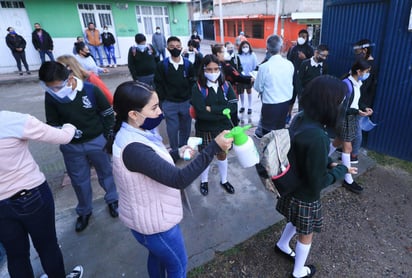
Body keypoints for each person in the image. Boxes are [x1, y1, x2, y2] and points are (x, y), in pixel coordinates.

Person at [107, 81, 233, 278]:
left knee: (158, 258)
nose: (160, 112)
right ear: (133, 114)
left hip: (146, 219)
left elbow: (151, 161)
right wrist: (213, 147)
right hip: (155, 225)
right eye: (154, 107)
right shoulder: (133, 147)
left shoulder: (137, 132)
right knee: (177, 266)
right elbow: (179, 179)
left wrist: (176, 153)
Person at [275, 75, 357, 278]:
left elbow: (302, 154)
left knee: (294, 221)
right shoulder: (319, 136)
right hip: (305, 196)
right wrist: (341, 170)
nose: (341, 105)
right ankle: (299, 272)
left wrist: (328, 162)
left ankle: (282, 244)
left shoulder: (300, 117)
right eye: (340, 101)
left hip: (291, 184)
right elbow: (318, 182)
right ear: (329, 103)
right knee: (306, 232)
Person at [0, 110, 84, 278]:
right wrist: (69, 127)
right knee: (47, 246)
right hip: (30, 194)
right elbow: (61, 137)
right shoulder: (11, 120)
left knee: (16, 255)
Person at [38, 61, 119, 232]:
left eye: (58, 87)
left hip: (97, 141)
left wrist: (106, 136)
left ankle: (113, 200)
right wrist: (64, 134)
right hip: (71, 147)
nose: (55, 91)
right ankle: (84, 210)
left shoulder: (90, 90)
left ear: (69, 78)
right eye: (50, 88)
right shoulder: (51, 96)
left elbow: (107, 113)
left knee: (106, 173)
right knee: (79, 180)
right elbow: (52, 122)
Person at [191, 54, 238, 196]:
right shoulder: (198, 88)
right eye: (209, 69)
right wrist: (223, 110)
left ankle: (224, 180)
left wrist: (211, 108)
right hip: (205, 129)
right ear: (203, 70)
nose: (213, 73)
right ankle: (204, 181)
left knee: (222, 155)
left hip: (223, 129)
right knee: (205, 156)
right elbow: (201, 113)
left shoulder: (226, 85)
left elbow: (234, 106)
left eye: (216, 69)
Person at [330, 60, 372, 194]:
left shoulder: (357, 83)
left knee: (337, 141)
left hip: (351, 117)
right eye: (366, 72)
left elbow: (356, 101)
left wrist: (364, 107)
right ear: (359, 72)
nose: (368, 74)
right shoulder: (346, 84)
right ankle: (348, 180)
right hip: (344, 118)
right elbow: (340, 106)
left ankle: (321, 158)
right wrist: (357, 112)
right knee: (347, 147)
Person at [154, 36, 196, 152]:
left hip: (186, 102)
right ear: (167, 48)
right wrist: (162, 102)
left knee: (186, 128)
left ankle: (183, 147)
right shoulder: (162, 65)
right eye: (172, 47)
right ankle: (174, 150)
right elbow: (158, 84)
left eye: (178, 47)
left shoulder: (188, 65)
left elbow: (193, 83)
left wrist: (192, 100)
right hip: (170, 103)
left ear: (182, 48)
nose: (175, 49)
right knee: (172, 129)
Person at [253, 35, 294, 138]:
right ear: (282, 48)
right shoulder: (289, 64)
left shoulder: (264, 67)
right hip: (285, 103)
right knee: (280, 130)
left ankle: (269, 152)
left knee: (268, 134)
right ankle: (278, 152)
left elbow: (258, 87)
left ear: (267, 49)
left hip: (270, 105)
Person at [351, 39, 378, 163]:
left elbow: (365, 86)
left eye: (358, 51)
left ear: (365, 50)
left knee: (357, 128)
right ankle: (348, 148)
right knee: (351, 126)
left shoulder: (370, 65)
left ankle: (354, 155)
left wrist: (362, 104)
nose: (357, 54)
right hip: (357, 98)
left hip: (361, 100)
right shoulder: (363, 62)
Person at [286, 29, 314, 123]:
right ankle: (288, 114)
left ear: (307, 38)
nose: (301, 38)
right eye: (300, 36)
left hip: (304, 79)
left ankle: (300, 117)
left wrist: (305, 58)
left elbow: (313, 63)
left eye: (304, 36)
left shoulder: (310, 49)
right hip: (293, 77)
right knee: (291, 98)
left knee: (302, 99)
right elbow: (289, 61)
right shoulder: (293, 48)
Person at [296, 44, 329, 109]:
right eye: (323, 55)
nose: (324, 58)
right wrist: (301, 94)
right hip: (305, 95)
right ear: (316, 53)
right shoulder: (305, 64)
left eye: (326, 56)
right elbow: (298, 80)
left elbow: (325, 80)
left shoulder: (324, 65)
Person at [237, 41, 258, 114]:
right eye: (243, 47)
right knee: (241, 91)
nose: (245, 48)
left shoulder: (252, 55)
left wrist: (253, 76)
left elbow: (256, 66)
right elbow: (237, 66)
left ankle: (250, 107)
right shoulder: (238, 55)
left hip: (249, 76)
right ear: (241, 47)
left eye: (246, 46)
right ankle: (242, 106)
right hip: (241, 76)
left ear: (249, 47)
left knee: (249, 90)